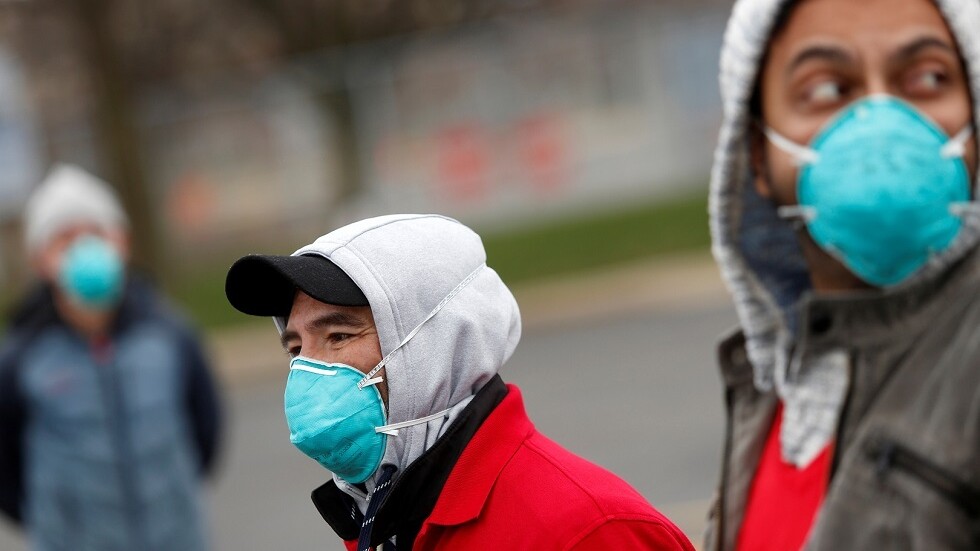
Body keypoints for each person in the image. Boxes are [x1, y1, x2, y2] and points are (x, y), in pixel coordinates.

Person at [224, 213, 694, 551]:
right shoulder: (382, 517)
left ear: (437, 343)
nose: (309, 369)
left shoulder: (588, 532)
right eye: (295, 348)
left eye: (339, 335)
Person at [705, 0, 980, 549]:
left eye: (927, 78)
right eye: (827, 90)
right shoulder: (775, 401)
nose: (881, 122)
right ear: (757, 155)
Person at [0, 164, 223, 551]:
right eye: (65, 239)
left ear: (122, 242)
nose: (85, 248)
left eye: (97, 233)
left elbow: (204, 429)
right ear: (40, 259)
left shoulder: (169, 334)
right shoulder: (21, 357)